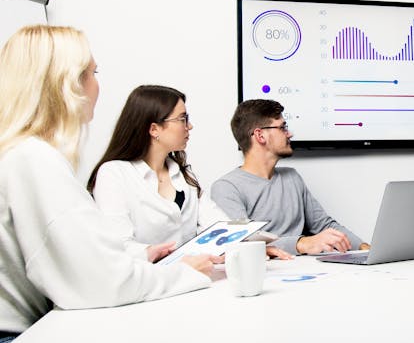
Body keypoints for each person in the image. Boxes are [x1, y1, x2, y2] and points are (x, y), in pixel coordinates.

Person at [0, 25, 217, 338]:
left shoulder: (19, 153)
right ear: (68, 84)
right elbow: (98, 279)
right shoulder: (34, 160)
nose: (96, 84)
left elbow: (78, 255)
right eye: (92, 72)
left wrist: (140, 256)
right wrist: (183, 273)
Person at [87, 85, 291, 262]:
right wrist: (176, 258)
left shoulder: (183, 175)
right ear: (154, 129)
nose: (190, 126)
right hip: (146, 284)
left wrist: (252, 248)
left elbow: (220, 226)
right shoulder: (113, 174)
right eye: (183, 119)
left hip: (188, 282)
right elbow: (119, 247)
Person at [211, 99, 370, 255]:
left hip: (308, 270)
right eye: (282, 128)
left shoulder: (291, 177)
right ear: (260, 136)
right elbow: (243, 243)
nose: (290, 134)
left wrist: (364, 249)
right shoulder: (226, 188)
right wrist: (302, 243)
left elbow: (324, 225)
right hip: (267, 274)